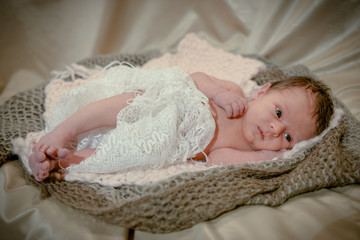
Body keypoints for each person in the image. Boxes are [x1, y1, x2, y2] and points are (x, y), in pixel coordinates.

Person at [28, 66, 334, 182]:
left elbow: (217, 159)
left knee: (118, 154)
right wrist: (219, 93)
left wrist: (263, 157)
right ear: (262, 92)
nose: (275, 130)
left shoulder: (244, 147)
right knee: (118, 105)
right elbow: (196, 78)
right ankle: (65, 130)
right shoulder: (235, 93)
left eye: (290, 138)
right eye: (278, 113)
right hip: (162, 102)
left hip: (164, 140)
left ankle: (61, 161)